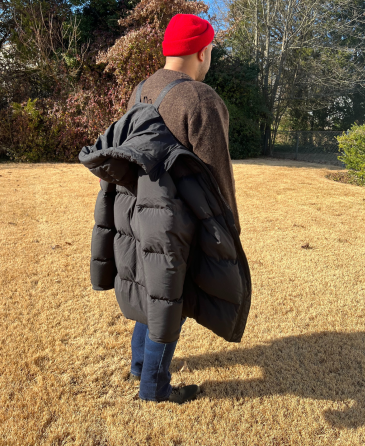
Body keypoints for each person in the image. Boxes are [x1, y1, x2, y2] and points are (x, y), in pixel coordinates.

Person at [81, 13, 252, 405]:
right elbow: (215, 172)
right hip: (177, 219)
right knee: (169, 296)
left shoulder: (141, 89)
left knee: (150, 288)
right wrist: (230, 226)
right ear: (202, 52)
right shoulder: (200, 99)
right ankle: (154, 388)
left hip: (135, 210)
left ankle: (140, 367)